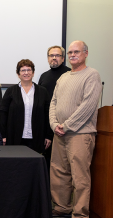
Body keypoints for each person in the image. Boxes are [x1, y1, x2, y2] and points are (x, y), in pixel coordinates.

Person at [49, 40, 102, 218]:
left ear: (86, 53)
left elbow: (88, 106)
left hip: (80, 134)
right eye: (70, 52)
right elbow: (53, 102)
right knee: (58, 171)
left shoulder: (92, 75)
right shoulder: (63, 77)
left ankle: (80, 215)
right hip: (60, 133)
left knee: (80, 176)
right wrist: (55, 124)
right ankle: (62, 206)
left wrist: (67, 125)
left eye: (76, 52)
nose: (72, 55)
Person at [0, 59, 52, 153]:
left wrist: (48, 135)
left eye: (29, 70)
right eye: (23, 70)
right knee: (15, 164)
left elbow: (48, 114)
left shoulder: (43, 91)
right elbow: (4, 114)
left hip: (37, 137)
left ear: (33, 73)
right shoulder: (10, 91)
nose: (26, 73)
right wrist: (3, 135)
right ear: (18, 74)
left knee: (33, 165)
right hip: (14, 137)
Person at [38, 46, 71, 176]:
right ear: (48, 58)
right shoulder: (44, 76)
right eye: (51, 55)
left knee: (63, 164)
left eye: (57, 55)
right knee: (47, 159)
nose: (54, 58)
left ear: (63, 58)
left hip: (64, 124)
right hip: (47, 124)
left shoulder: (69, 74)